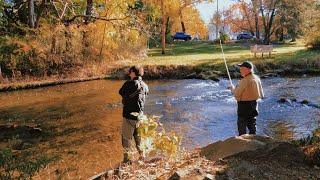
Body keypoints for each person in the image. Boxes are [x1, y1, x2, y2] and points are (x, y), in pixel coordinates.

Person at [119, 65, 149, 163]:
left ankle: (127, 160)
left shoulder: (129, 83)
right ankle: (142, 157)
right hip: (140, 117)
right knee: (138, 138)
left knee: (126, 139)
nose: (129, 73)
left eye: (130, 71)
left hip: (129, 116)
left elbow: (121, 92)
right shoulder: (145, 85)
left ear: (133, 72)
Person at [229, 61, 264, 136]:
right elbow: (261, 94)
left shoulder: (244, 80)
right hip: (254, 105)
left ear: (248, 69)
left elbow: (237, 94)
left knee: (242, 125)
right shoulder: (257, 78)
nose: (240, 70)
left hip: (244, 106)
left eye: (242, 68)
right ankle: (254, 140)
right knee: (252, 124)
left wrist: (233, 89)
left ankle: (242, 142)